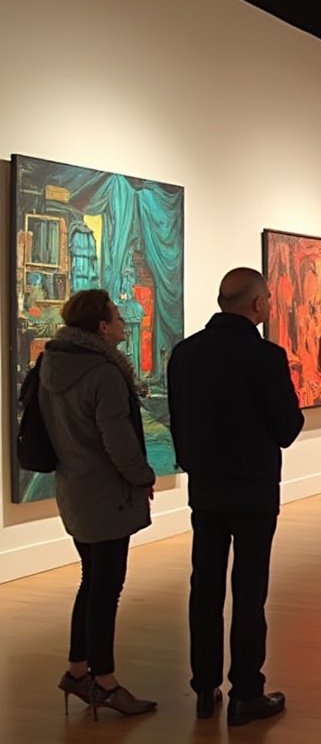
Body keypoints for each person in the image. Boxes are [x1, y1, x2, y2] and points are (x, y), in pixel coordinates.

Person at [168, 268, 306, 724]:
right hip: (253, 491)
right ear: (257, 304)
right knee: (249, 592)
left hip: (206, 490)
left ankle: (204, 687)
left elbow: (178, 421)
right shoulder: (266, 356)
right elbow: (287, 429)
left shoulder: (185, 353)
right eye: (267, 298)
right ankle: (246, 691)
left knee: (204, 587)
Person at [40, 289, 158, 718]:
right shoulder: (104, 374)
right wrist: (143, 476)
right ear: (102, 327)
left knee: (91, 581)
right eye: (117, 317)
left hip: (74, 489)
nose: (125, 323)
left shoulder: (51, 365)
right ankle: (104, 681)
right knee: (106, 589)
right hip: (107, 496)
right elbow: (119, 442)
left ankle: (77, 671)